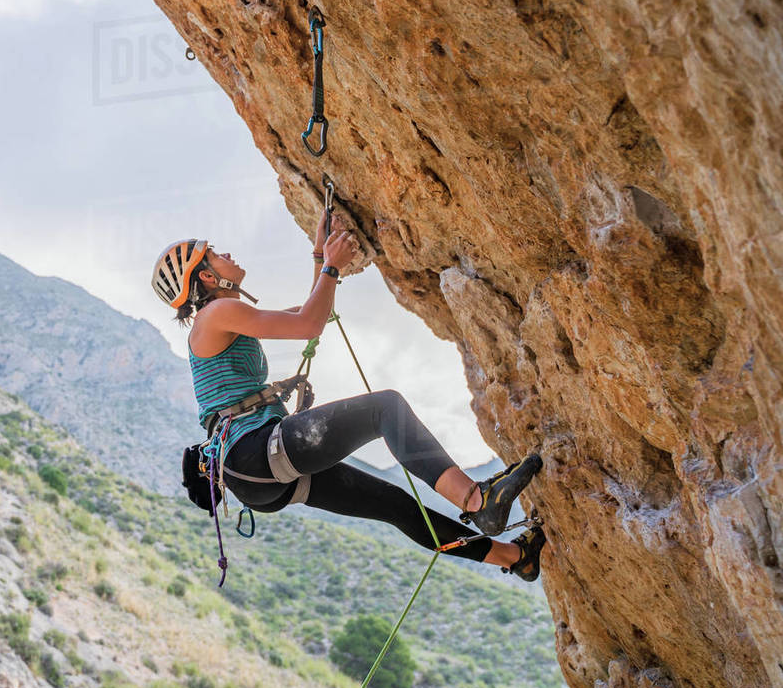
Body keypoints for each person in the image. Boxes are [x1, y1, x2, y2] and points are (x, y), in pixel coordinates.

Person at [150, 215, 546, 580]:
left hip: (254, 474)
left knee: (396, 506)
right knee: (384, 409)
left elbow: (311, 314)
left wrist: (322, 257)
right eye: (215, 255)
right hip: (255, 452)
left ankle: (516, 558)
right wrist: (331, 266)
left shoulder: (223, 317)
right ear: (205, 276)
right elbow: (309, 323)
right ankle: (477, 500)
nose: (227, 255)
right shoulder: (216, 314)